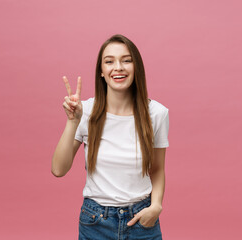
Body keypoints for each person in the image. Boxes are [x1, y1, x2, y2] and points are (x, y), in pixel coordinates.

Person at [52, 34, 169, 240]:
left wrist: (156, 205)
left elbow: (158, 168)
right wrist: (72, 121)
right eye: (109, 61)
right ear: (102, 72)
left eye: (126, 60)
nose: (118, 67)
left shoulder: (157, 113)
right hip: (96, 222)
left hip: (141, 221)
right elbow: (58, 169)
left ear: (137, 68)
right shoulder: (85, 111)